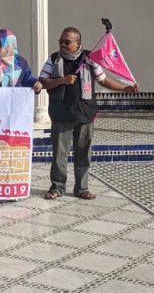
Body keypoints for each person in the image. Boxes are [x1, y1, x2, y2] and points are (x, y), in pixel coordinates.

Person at [37, 27, 138, 201]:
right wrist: (63, 80)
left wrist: (125, 88)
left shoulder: (90, 59)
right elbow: (43, 82)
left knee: (84, 153)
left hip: (85, 114)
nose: (62, 45)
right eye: (61, 41)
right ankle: (57, 187)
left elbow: (104, 80)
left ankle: (82, 188)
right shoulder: (53, 59)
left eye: (67, 42)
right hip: (61, 115)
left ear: (78, 43)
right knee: (59, 155)